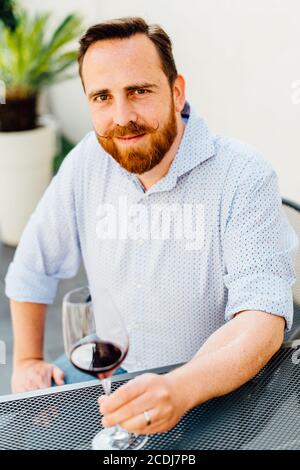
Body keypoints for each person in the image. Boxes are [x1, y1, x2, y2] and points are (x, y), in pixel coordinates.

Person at [5, 17, 298, 436]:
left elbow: (262, 321)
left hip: (211, 388)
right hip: (106, 374)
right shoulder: (88, 160)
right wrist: (26, 361)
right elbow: (30, 268)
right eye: (102, 97)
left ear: (177, 92)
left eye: (139, 91)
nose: (122, 117)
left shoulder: (243, 175)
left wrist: (180, 388)